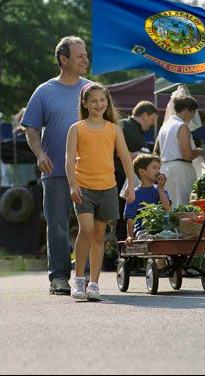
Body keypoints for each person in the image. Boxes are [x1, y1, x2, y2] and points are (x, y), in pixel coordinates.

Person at [21, 36, 91, 295]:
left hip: (89, 171)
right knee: (58, 226)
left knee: (92, 226)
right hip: (56, 172)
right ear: (64, 59)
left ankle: (86, 278)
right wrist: (39, 154)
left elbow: (109, 126)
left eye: (85, 54)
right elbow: (31, 127)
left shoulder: (92, 90)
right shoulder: (44, 91)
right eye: (79, 55)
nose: (85, 59)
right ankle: (59, 277)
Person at [65, 82, 135, 301]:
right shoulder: (76, 128)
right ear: (85, 103)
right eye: (93, 101)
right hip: (83, 187)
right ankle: (78, 280)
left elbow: (125, 158)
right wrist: (72, 184)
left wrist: (131, 185)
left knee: (98, 236)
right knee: (85, 230)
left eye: (102, 100)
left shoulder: (114, 129)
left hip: (107, 188)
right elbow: (68, 160)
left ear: (107, 102)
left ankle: (94, 284)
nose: (98, 104)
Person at [114, 101, 159, 241]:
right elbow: (115, 150)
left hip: (131, 181)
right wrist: (137, 155)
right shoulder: (124, 125)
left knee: (131, 218)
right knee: (124, 218)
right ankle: (123, 256)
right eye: (152, 119)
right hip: (121, 179)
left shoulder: (136, 130)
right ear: (144, 115)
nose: (151, 125)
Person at [155, 95, 203, 208]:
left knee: (169, 207)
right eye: (193, 113)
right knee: (181, 206)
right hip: (180, 171)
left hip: (165, 168)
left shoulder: (164, 126)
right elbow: (187, 155)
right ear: (187, 110)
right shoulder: (182, 126)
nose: (192, 117)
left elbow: (156, 151)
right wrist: (199, 151)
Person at [124, 154, 171, 242]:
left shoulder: (161, 190)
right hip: (143, 231)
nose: (158, 171)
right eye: (154, 168)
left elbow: (167, 208)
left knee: (173, 235)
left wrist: (160, 188)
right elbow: (130, 218)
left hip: (162, 230)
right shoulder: (134, 194)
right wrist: (129, 236)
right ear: (142, 172)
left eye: (159, 168)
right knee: (147, 238)